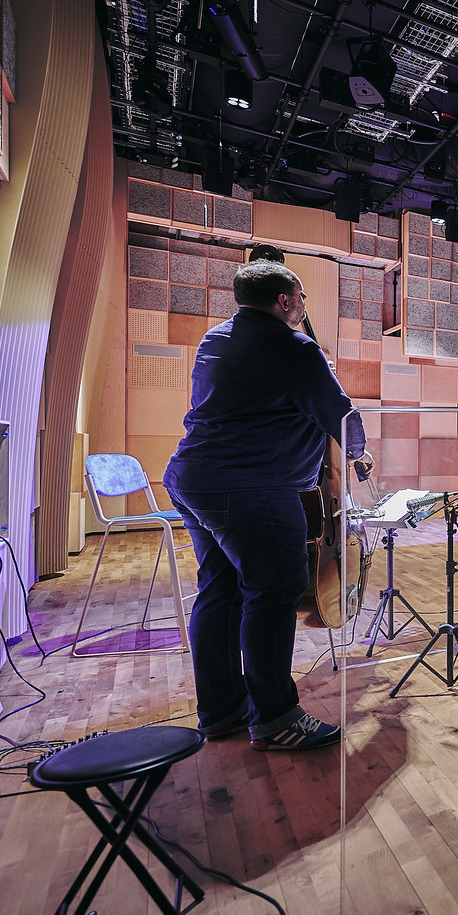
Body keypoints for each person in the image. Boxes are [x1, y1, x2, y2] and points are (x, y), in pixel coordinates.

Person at [164, 255, 366, 750]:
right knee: (275, 589)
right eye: (300, 298)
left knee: (221, 589)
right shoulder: (295, 348)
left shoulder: (216, 338)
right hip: (250, 485)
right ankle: (275, 717)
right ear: (285, 300)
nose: (302, 306)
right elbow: (343, 420)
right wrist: (361, 453)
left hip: (193, 479)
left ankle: (221, 711)